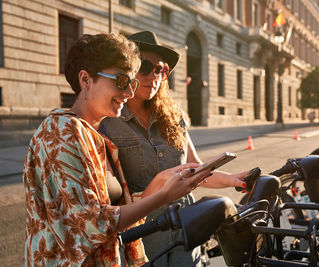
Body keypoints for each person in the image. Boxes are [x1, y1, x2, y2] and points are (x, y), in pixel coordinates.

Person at [23, 33, 209, 267]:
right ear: (85, 80)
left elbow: (115, 210)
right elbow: (89, 225)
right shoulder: (60, 132)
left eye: (132, 83)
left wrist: (158, 185)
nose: (130, 93)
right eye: (121, 81)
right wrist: (164, 196)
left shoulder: (98, 138)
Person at [100, 31, 249, 267]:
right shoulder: (107, 120)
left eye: (161, 69)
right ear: (127, 70)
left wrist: (234, 179)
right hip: (141, 238)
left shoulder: (173, 116)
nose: (154, 76)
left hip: (186, 229)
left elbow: (195, 169)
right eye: (145, 67)